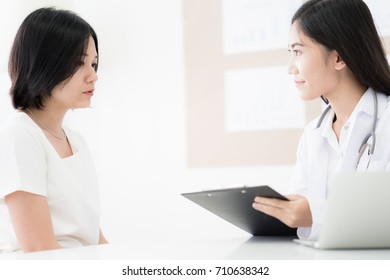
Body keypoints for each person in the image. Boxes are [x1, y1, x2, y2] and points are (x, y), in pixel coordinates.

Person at [252, 0, 390, 240]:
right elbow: (300, 225)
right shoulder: (312, 136)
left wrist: (315, 214)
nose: (290, 68)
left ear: (338, 58)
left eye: (298, 51)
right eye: (290, 53)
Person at [0, 7, 108, 252]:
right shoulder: (20, 135)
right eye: (79, 63)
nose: (93, 76)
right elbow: (39, 248)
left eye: (94, 63)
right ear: (44, 64)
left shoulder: (76, 141)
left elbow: (94, 239)